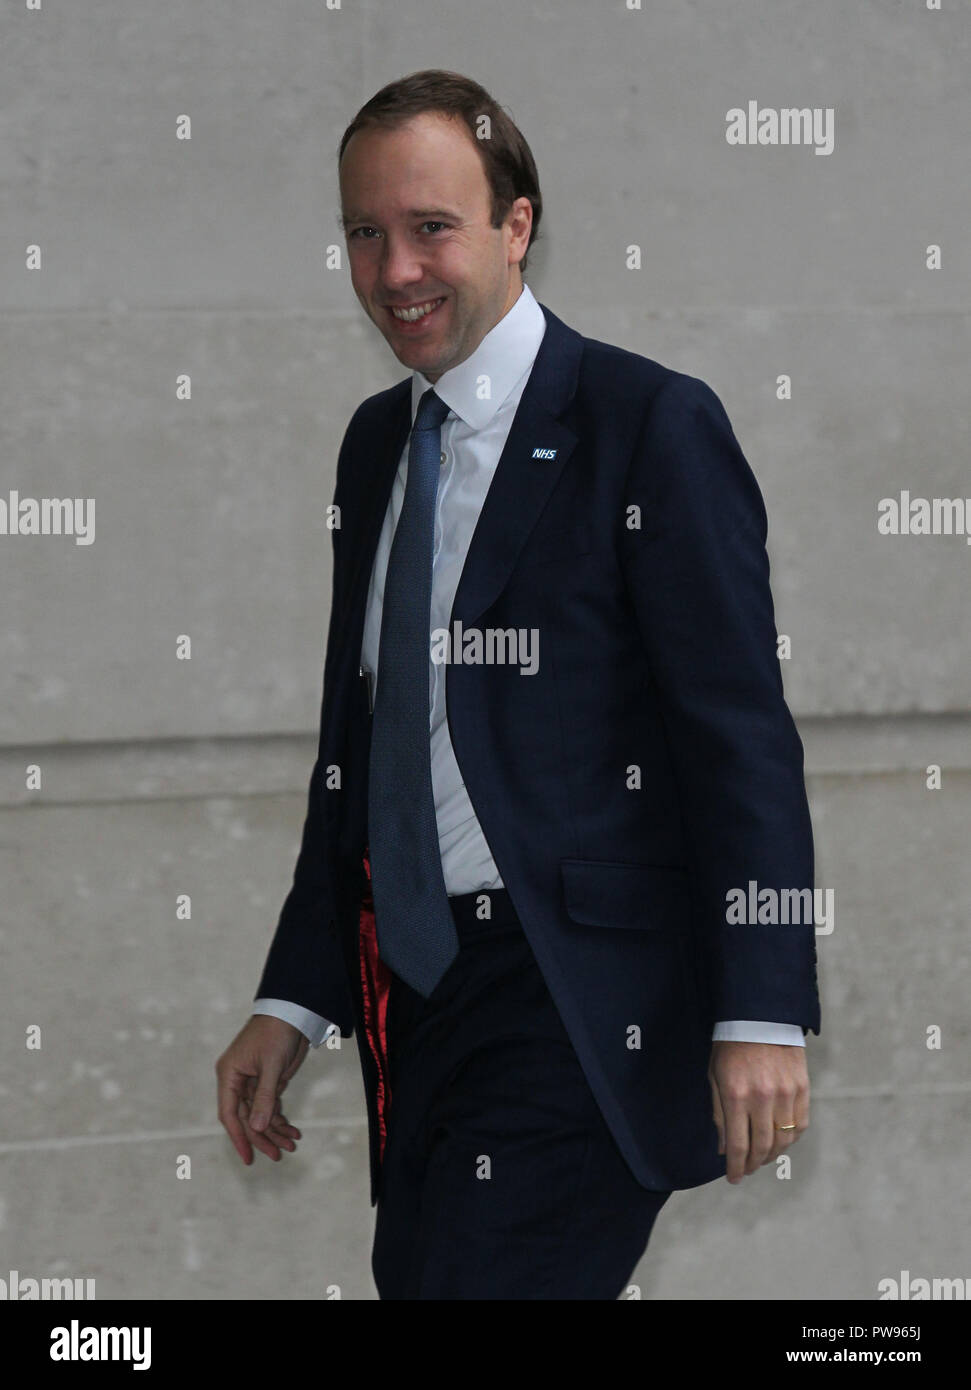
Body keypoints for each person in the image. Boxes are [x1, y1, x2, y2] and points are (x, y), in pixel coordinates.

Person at [216, 69, 820, 1301]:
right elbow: (362, 748)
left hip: (577, 1002)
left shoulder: (648, 424)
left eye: (430, 228)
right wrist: (297, 990)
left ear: (516, 225)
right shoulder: (378, 443)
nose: (395, 272)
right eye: (363, 235)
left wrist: (761, 1008)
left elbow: (737, 737)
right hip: (418, 1003)